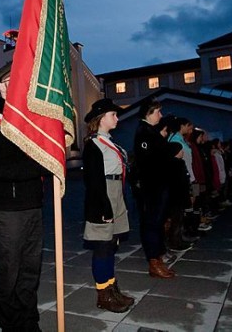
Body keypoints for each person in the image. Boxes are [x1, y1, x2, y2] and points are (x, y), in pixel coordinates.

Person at [0, 62, 49, 332]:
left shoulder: (29, 122)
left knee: (31, 270)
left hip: (33, 205)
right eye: (7, 82)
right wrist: (45, 162)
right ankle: (10, 324)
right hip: (8, 211)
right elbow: (4, 168)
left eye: (17, 81)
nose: (12, 86)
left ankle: (28, 320)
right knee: (10, 271)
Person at [82, 98, 134, 313]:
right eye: (113, 114)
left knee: (112, 245)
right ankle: (103, 295)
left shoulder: (110, 142)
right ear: (101, 119)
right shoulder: (93, 145)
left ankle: (112, 289)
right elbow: (93, 181)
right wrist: (103, 208)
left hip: (115, 193)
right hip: (103, 197)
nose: (117, 118)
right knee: (103, 247)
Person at [132, 98, 175, 279]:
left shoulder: (151, 132)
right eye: (158, 112)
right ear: (149, 113)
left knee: (157, 223)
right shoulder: (144, 133)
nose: (161, 115)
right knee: (151, 223)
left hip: (158, 185)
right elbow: (147, 162)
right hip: (152, 187)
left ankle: (157, 257)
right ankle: (153, 262)